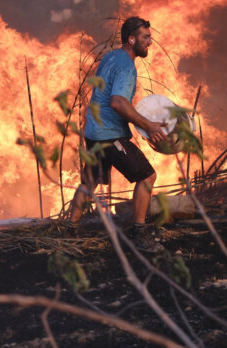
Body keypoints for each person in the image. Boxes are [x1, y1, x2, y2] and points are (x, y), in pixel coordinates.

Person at [69, 16, 169, 252]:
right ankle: (139, 232)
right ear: (131, 39)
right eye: (146, 37)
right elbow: (118, 103)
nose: (150, 42)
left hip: (93, 131)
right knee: (147, 177)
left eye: (150, 37)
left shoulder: (111, 57)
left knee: (89, 181)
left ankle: (69, 228)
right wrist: (149, 125)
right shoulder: (126, 65)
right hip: (109, 135)